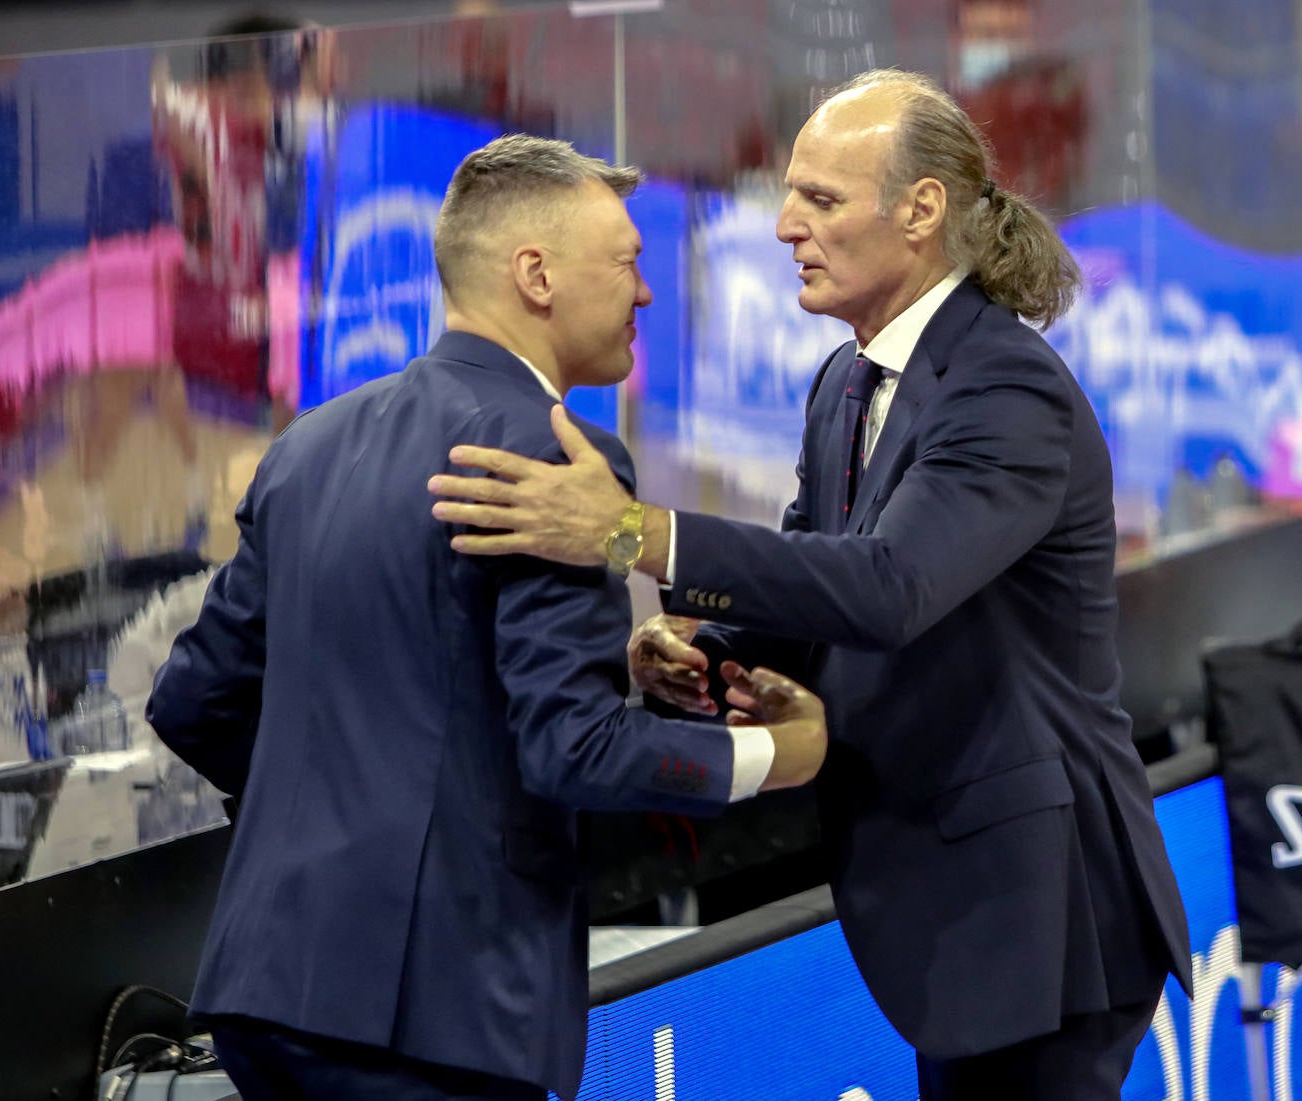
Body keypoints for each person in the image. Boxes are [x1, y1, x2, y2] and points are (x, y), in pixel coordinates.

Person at [427, 69, 1194, 1100]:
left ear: (921, 211)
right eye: (789, 196)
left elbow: (888, 587)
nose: (787, 225)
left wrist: (630, 534)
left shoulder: (1006, 388)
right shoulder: (845, 381)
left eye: (822, 200)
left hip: (1042, 911)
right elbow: (810, 582)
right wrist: (705, 657)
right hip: (958, 904)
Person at [147, 134, 827, 1101]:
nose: (645, 293)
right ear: (536, 275)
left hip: (267, 987)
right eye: (628, 263)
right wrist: (778, 756)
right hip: (436, 1012)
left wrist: (349, 809)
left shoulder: (309, 445)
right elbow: (574, 750)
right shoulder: (553, 459)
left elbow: (192, 701)